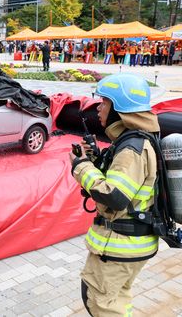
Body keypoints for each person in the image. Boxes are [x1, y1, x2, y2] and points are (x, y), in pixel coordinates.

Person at [69, 74, 160, 317]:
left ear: (120, 109)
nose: (99, 107)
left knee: (100, 301)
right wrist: (95, 160)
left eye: (105, 102)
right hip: (131, 245)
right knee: (118, 299)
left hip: (121, 246)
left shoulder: (132, 149)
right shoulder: (135, 141)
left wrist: (80, 167)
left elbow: (115, 196)